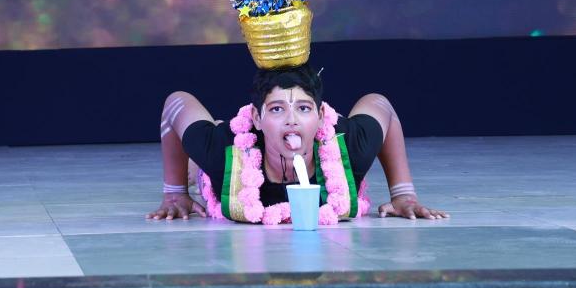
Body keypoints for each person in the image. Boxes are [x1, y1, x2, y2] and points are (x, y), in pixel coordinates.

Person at [148, 65, 448, 223]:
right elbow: (175, 103)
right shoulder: (221, 149)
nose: (291, 121)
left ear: (321, 115)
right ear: (257, 117)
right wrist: (175, 192)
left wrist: (403, 194)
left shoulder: (351, 145)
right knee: (198, 163)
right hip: (220, 156)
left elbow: (381, 105)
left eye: (303, 109)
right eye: (277, 109)